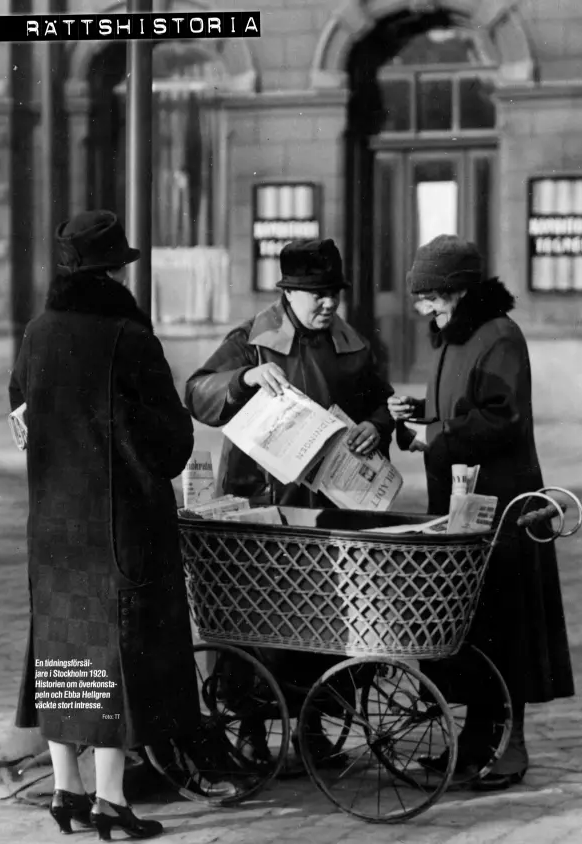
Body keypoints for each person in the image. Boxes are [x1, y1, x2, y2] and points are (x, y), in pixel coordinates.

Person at [9, 210, 199, 839]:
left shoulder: (35, 333)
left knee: (64, 651)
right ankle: (111, 803)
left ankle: (68, 790)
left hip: (53, 528)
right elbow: (170, 443)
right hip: (122, 527)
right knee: (117, 657)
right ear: (116, 270)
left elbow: (21, 417)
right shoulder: (128, 336)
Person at [185, 237, 395, 762]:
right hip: (257, 499)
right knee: (250, 620)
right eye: (316, 294)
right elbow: (197, 391)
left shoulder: (353, 346)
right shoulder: (252, 340)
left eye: (334, 294)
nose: (328, 304)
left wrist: (375, 424)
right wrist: (245, 377)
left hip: (326, 505)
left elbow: (380, 403)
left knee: (321, 618)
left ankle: (314, 728)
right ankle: (250, 730)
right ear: (288, 294)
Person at [388, 234, 574, 790]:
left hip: (504, 507)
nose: (424, 309)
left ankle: (512, 747)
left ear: (460, 291)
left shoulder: (500, 336)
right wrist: (420, 411)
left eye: (431, 298)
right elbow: (463, 405)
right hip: (463, 503)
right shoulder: (456, 335)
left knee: (508, 628)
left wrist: (434, 440)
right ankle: (473, 741)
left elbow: (502, 419)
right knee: (471, 628)